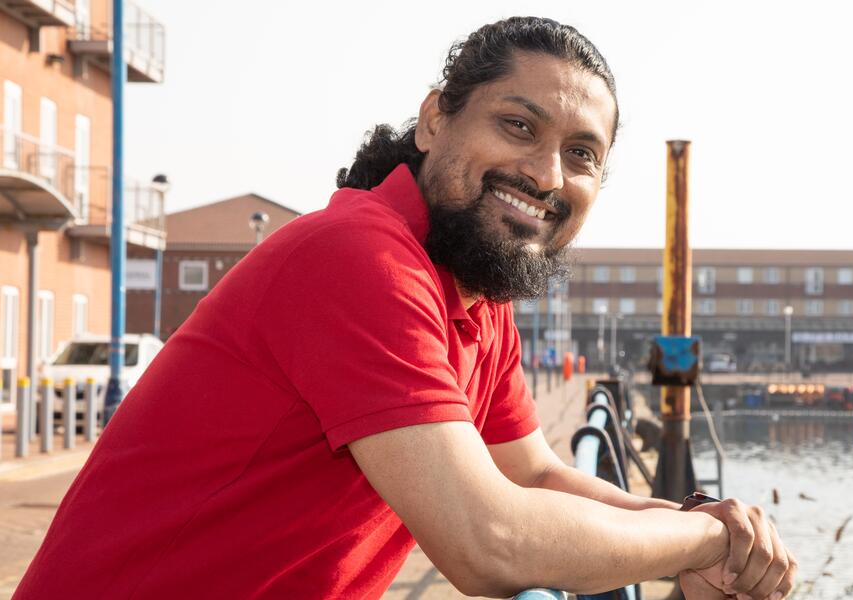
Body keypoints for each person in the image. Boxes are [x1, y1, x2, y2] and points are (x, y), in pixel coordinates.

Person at [17, 17, 796, 599]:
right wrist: (693, 541)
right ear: (434, 120)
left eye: (582, 154)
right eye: (517, 125)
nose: (547, 173)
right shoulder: (358, 258)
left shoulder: (472, 293)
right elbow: (486, 540)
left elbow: (531, 475)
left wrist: (701, 525)